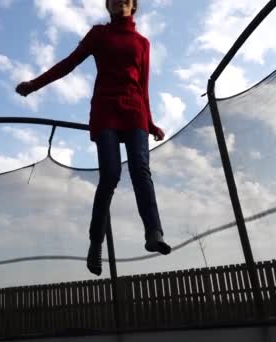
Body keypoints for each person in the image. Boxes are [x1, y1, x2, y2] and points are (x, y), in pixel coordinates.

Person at [16, 0, 171, 276]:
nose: (118, 0)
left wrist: (150, 122)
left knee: (140, 168)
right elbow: (67, 64)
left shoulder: (143, 43)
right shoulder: (99, 35)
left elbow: (144, 86)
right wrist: (34, 85)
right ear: (108, 6)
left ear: (134, 5)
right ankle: (95, 243)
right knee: (110, 175)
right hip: (106, 112)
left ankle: (153, 232)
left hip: (135, 111)